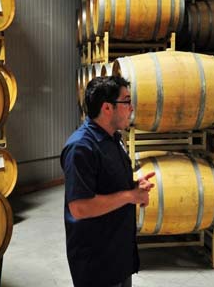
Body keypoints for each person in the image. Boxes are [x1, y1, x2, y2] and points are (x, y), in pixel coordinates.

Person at [61, 76, 155, 287]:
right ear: (107, 108)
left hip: (117, 254)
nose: (131, 108)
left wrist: (134, 186)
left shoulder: (112, 138)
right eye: (126, 101)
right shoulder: (81, 148)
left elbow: (108, 182)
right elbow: (79, 207)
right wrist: (131, 196)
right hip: (97, 264)